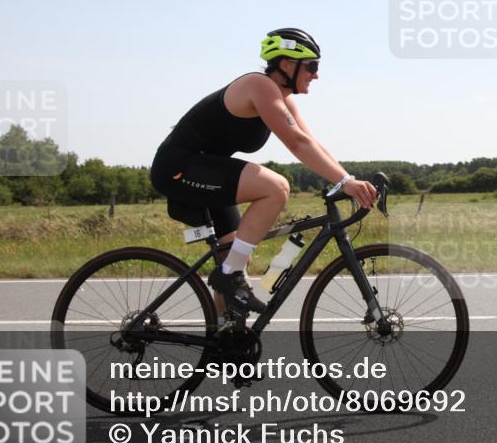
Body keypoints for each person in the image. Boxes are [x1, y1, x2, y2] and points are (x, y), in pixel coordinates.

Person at [150, 28, 378, 319]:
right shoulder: (259, 86)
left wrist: (348, 180)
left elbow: (311, 142)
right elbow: (296, 143)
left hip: (206, 171)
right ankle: (229, 277)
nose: (316, 75)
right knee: (276, 188)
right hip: (178, 167)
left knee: (234, 257)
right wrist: (345, 183)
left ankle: (223, 331)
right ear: (287, 64)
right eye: (312, 66)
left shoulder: (282, 99)